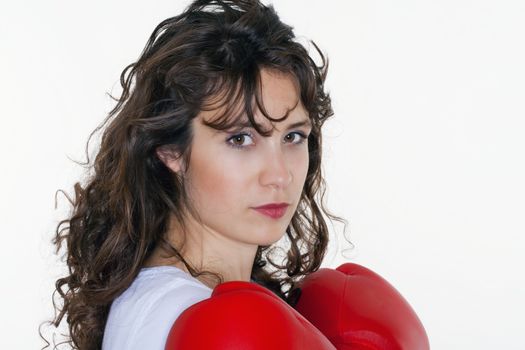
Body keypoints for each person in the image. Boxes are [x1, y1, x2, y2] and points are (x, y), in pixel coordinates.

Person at [41, 0, 348, 349]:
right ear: (171, 150)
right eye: (241, 138)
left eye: (293, 137)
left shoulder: (199, 301)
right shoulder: (186, 313)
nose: (279, 176)